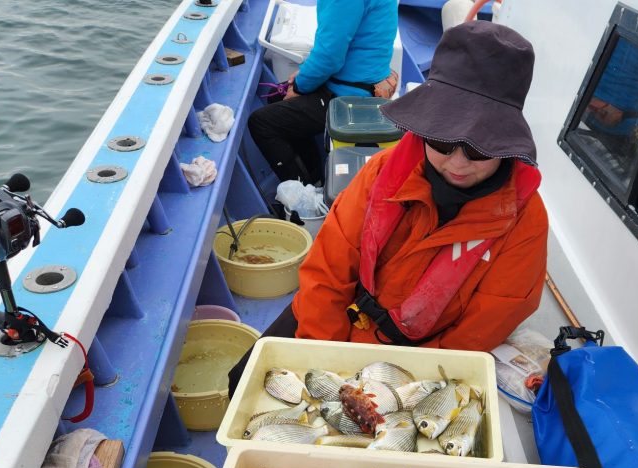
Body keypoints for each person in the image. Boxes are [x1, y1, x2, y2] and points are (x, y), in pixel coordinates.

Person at [229, 21, 547, 395]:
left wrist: (403, 386)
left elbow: (479, 331)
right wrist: (324, 367)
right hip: (342, 311)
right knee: (243, 383)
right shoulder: (382, 173)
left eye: (480, 149)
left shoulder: (525, 222)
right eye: (443, 141)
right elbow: (328, 275)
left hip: (416, 358)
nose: (458, 163)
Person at [248, 0, 399, 186]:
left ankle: (302, 200)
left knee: (262, 123)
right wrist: (304, 75)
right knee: (275, 95)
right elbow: (332, 47)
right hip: (364, 80)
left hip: (350, 96)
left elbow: (330, 56)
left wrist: (298, 88)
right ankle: (315, 177)